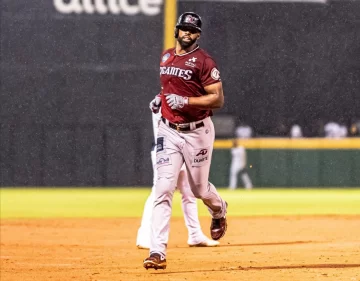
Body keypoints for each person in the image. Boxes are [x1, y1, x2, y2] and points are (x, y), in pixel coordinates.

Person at [143, 12, 228, 270]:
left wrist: (187, 102)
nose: (187, 33)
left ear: (198, 34)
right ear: (176, 31)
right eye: (183, 28)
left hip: (197, 131)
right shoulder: (167, 56)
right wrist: (160, 98)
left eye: (192, 30)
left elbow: (218, 99)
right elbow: (169, 86)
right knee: (163, 188)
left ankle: (219, 209)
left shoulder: (204, 62)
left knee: (199, 190)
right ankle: (157, 251)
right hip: (168, 130)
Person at [136, 111, 219, 249]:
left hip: (184, 147)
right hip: (165, 149)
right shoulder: (163, 101)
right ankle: (144, 236)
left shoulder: (177, 98)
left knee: (189, 194)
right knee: (159, 192)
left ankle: (195, 235)